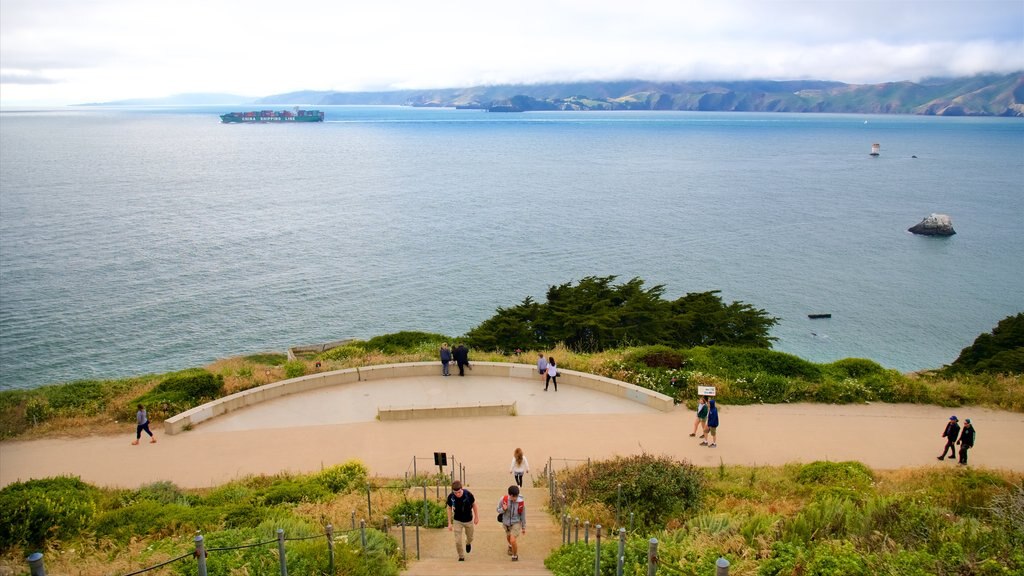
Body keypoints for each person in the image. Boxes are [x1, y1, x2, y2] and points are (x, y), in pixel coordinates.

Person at [446, 480, 478, 561]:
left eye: (459, 492)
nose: (457, 494)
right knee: (457, 541)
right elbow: (449, 508)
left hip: (468, 520)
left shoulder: (468, 495)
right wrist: (449, 523)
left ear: (462, 489)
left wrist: (476, 517)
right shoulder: (451, 497)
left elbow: (474, 504)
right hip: (457, 520)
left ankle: (468, 543)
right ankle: (461, 556)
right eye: (455, 492)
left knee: (470, 537)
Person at [497, 484, 526, 561]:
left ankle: (515, 555)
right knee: (509, 537)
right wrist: (503, 509)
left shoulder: (521, 502)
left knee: (513, 539)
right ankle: (510, 545)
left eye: (516, 496)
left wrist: (523, 527)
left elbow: (523, 514)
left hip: (516, 522)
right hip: (506, 523)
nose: (515, 498)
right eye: (513, 497)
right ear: (510, 495)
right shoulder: (503, 499)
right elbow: (498, 510)